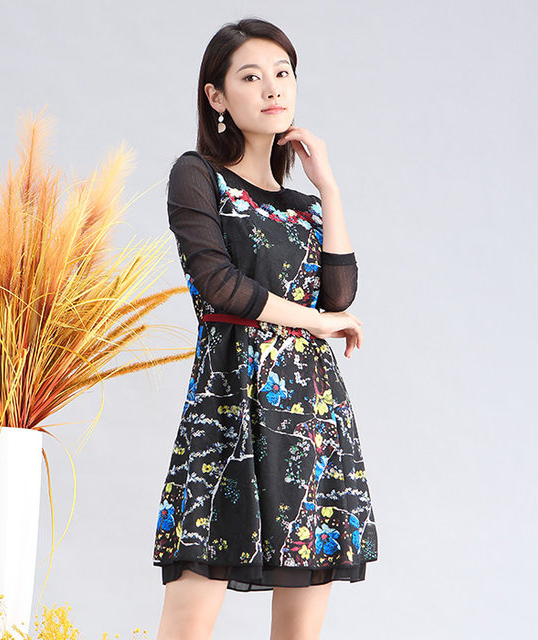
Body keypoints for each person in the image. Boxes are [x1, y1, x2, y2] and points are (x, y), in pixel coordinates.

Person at [153, 18, 378, 640]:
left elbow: (339, 292)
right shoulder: (198, 175)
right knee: (189, 617)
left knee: (301, 628)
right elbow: (218, 285)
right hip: (228, 403)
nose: (273, 88)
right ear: (217, 96)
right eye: (251, 77)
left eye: (283, 74)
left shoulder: (305, 206)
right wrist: (320, 322)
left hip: (310, 413)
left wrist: (328, 186)